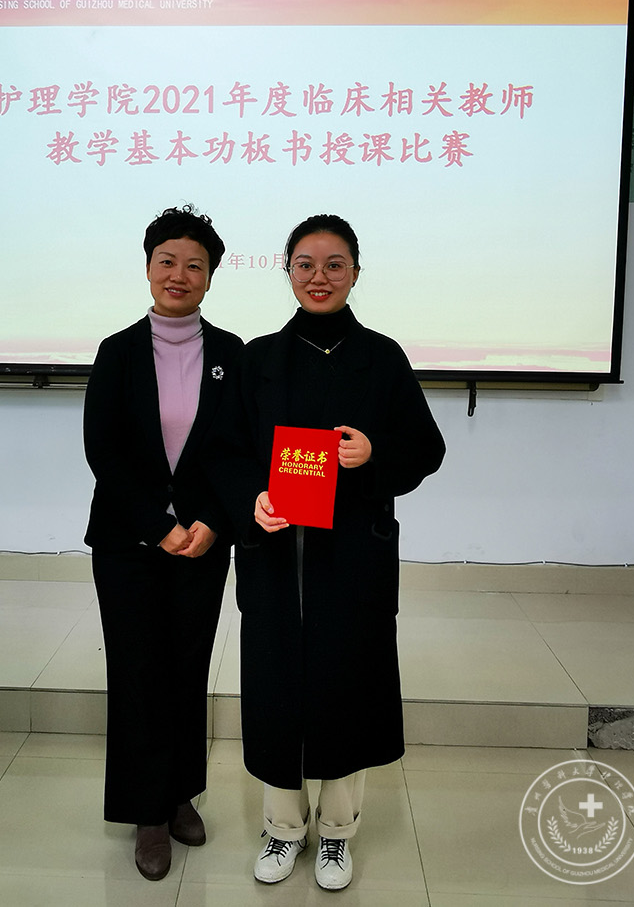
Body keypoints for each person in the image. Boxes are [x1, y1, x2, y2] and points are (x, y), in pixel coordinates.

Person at [228, 214, 445, 891]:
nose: (318, 277)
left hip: (352, 554)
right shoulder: (258, 358)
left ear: (355, 271)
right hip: (275, 554)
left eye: (334, 264)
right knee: (276, 684)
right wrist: (251, 498)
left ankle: (336, 832)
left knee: (347, 684)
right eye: (305, 264)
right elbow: (226, 452)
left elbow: (427, 448)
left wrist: (374, 453)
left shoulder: (382, 357)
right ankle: (282, 826)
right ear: (286, 270)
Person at [83, 205, 243, 881]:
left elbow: (241, 451)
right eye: (167, 261)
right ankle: (146, 811)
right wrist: (159, 524)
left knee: (187, 667)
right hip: (128, 541)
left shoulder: (232, 353)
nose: (180, 274)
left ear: (210, 276)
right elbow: (104, 451)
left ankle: (180, 794)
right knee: (138, 671)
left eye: (194, 265)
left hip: (204, 541)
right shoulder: (117, 351)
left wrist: (212, 521)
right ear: (149, 268)